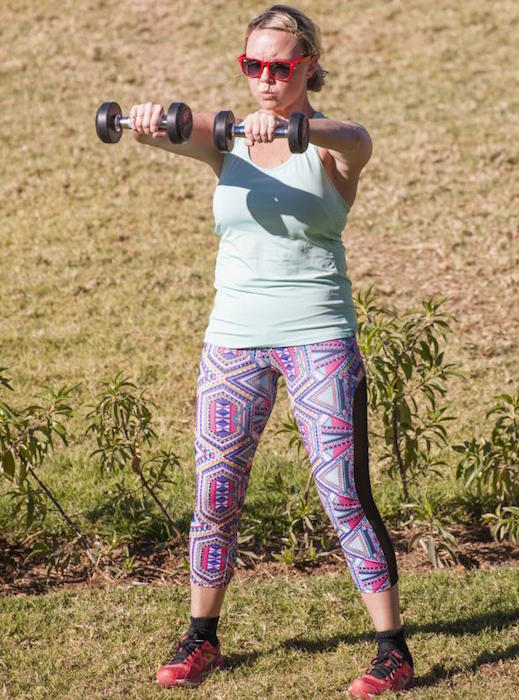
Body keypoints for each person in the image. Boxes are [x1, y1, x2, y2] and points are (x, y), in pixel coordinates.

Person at [129, 5, 414, 696]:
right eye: (251, 65)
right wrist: (147, 119)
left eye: (279, 67)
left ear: (308, 65)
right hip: (233, 340)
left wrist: (294, 126)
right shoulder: (228, 141)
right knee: (215, 494)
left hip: (318, 337)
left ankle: (391, 651)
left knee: (343, 494)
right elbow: (179, 125)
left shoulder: (336, 146)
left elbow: (354, 135)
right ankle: (201, 639)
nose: (264, 78)